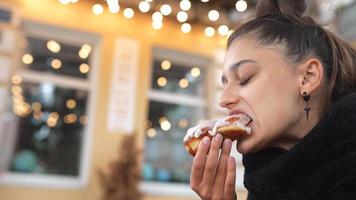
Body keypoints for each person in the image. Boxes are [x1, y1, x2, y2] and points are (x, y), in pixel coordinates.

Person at [189, 0, 356, 199]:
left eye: (245, 78)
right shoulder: (265, 185)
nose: (223, 99)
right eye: (225, 83)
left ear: (308, 77)